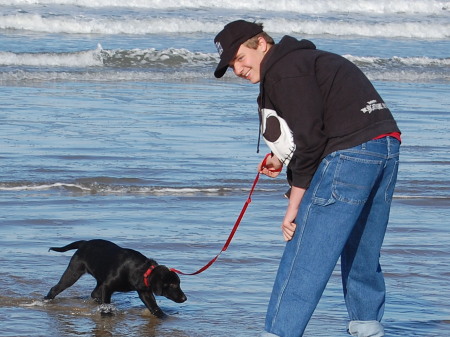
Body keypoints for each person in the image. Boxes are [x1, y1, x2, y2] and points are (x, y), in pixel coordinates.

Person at [213, 20, 401, 337]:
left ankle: (279, 332)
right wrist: (278, 159)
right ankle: (368, 326)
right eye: (231, 65)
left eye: (240, 58)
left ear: (261, 43)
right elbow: (317, 124)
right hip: (386, 146)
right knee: (362, 251)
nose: (238, 69)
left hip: (351, 153)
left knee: (305, 253)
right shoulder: (306, 60)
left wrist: (293, 205)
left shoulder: (284, 70)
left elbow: (312, 142)